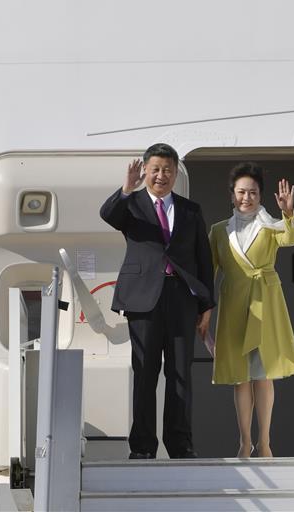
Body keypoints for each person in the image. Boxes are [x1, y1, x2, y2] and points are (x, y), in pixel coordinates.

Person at [100, 143, 215, 459]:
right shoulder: (132, 204)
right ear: (145, 171)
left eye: (167, 169)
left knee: (181, 374)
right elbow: (107, 214)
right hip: (142, 300)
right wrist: (126, 189)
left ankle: (180, 445)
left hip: (181, 298)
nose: (161, 175)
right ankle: (142, 447)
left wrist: (207, 306)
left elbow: (203, 260)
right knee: (145, 373)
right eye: (155, 169)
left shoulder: (191, 210)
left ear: (176, 173)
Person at [207, 162, 294, 458]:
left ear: (261, 195)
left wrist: (288, 213)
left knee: (263, 374)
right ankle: (244, 441)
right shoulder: (219, 230)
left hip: (266, 303)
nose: (246, 197)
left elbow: (292, 238)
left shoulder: (272, 224)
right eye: (241, 192)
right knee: (241, 376)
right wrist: (203, 311)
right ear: (232, 195)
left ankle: (265, 441)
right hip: (235, 305)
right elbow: (208, 271)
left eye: (252, 192)